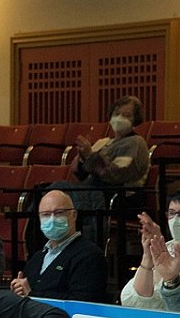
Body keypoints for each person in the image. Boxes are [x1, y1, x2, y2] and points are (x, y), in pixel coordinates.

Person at [53, 95, 150, 245]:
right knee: (51, 192)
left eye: (126, 115)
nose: (120, 118)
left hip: (118, 195)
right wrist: (82, 157)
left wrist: (91, 156)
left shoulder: (135, 143)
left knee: (61, 194)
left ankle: (85, 246)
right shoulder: (103, 142)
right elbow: (80, 173)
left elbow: (116, 175)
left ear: (135, 120)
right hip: (93, 190)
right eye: (116, 113)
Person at [120, 187, 180, 309]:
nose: (176, 220)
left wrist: (169, 277)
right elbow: (131, 301)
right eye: (172, 213)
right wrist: (148, 257)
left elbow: (175, 305)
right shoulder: (165, 247)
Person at [10, 190, 108, 303]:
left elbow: (82, 302)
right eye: (46, 214)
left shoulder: (89, 255)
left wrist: (32, 295)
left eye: (59, 213)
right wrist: (18, 290)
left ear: (74, 215)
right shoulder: (37, 258)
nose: (52, 219)